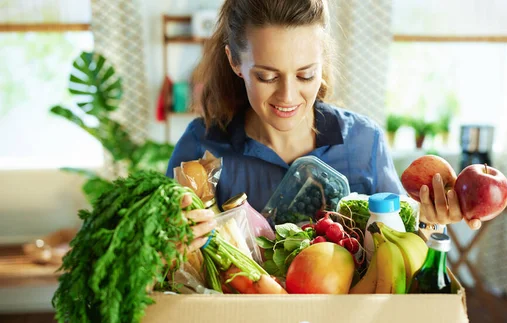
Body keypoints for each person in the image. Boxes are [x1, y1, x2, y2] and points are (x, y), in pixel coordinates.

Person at [169, 0, 481, 250]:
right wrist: (175, 239)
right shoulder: (202, 146)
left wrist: (430, 222)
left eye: (305, 74)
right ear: (235, 62)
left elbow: (405, 258)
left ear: (323, 61)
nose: (288, 96)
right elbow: (169, 262)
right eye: (267, 76)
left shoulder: (363, 142)